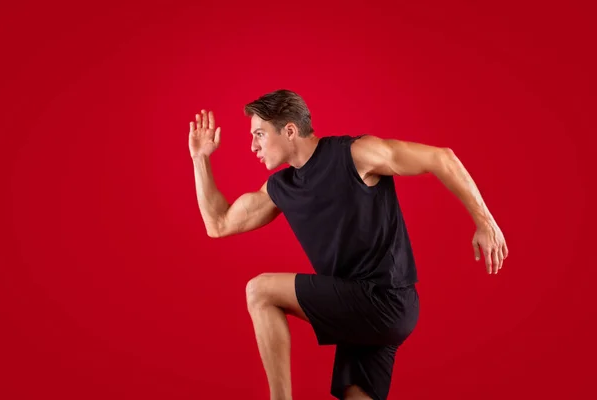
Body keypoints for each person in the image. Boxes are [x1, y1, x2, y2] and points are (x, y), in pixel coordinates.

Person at [188, 89, 508, 400]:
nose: (252, 145)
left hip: (386, 299)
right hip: (357, 307)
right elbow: (218, 224)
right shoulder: (279, 188)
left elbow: (441, 158)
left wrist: (485, 222)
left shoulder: (356, 154)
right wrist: (200, 159)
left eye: (259, 134)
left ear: (289, 130)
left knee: (259, 291)